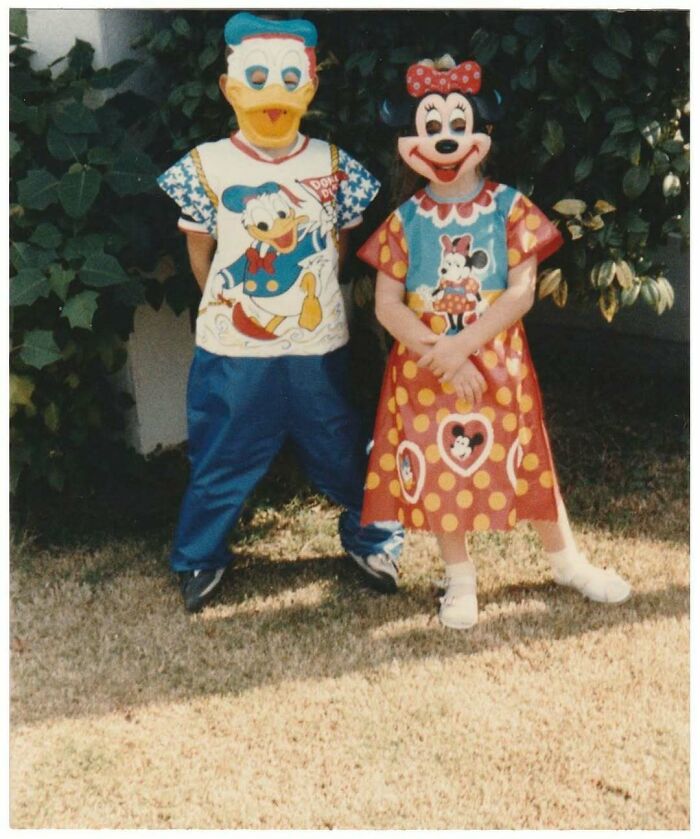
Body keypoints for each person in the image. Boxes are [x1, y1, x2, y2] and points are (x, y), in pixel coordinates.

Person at [357, 55, 631, 629]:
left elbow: (520, 294)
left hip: (498, 361)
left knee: (529, 460)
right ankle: (459, 580)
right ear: (410, 141)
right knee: (436, 467)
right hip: (423, 370)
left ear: (483, 134)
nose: (446, 139)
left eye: (458, 125)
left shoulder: (510, 209)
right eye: (431, 127)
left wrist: (462, 348)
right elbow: (387, 304)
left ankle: (567, 562)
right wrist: (443, 356)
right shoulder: (404, 220)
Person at [157, 12, 403, 612]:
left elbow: (341, 247)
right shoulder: (208, 165)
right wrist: (236, 302)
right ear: (229, 86)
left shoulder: (333, 164)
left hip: (317, 345)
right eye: (258, 76)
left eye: (289, 78)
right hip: (233, 349)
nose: (273, 91)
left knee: (339, 443)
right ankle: (200, 557)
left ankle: (373, 538)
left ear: (310, 87)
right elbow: (202, 255)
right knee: (222, 451)